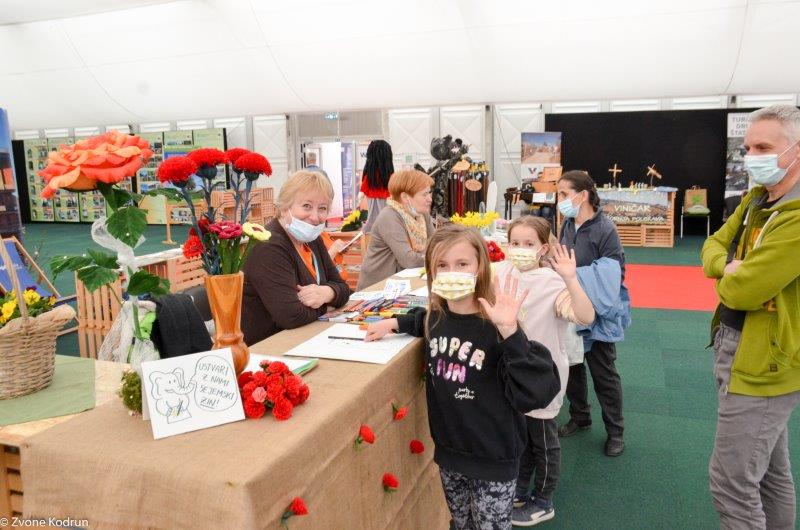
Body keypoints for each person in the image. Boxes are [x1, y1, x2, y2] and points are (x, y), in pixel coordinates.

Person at [365, 224, 560, 530]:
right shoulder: (436, 317)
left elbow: (536, 392)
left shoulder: (497, 325)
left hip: (494, 458)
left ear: (480, 267)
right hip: (451, 452)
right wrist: (394, 323)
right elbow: (423, 320)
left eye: (462, 264)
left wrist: (511, 333)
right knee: (460, 521)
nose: (451, 272)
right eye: (442, 265)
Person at [701, 105, 800, 530]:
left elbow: (742, 291)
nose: (751, 157)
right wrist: (728, 266)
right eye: (747, 148)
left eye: (763, 147)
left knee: (731, 483)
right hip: (740, 347)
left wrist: (728, 275)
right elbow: (712, 245)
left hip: (764, 363)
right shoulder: (757, 199)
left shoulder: (795, 219)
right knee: (772, 473)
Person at [494, 216, 595, 527]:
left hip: (541, 377)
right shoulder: (502, 272)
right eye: (515, 243)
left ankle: (543, 500)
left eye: (529, 244)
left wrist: (570, 279)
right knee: (521, 436)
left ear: (543, 248)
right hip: (512, 373)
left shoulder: (552, 283)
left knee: (543, 441)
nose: (520, 249)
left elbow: (585, 316)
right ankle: (520, 490)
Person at [556, 170, 627, 457]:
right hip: (571, 309)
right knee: (573, 365)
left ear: (582, 195)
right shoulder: (567, 224)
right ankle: (580, 416)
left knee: (603, 373)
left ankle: (615, 432)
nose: (560, 200)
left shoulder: (605, 229)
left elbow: (616, 274)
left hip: (599, 315)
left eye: (564, 194)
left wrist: (577, 279)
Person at [240, 170, 351, 345]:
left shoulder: (312, 239)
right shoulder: (269, 246)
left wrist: (327, 293)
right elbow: (290, 316)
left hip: (306, 337)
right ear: (285, 208)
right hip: (268, 346)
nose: (315, 217)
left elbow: (344, 289)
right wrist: (329, 305)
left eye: (322, 208)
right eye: (306, 206)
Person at [356, 169, 434, 290]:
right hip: (377, 289)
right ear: (405, 197)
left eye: (429, 193)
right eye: (424, 194)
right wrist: (436, 257)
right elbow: (408, 260)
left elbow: (436, 244)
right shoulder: (389, 216)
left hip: (404, 284)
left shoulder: (422, 214)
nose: (430, 199)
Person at [360, 139, 394, 232]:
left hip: (373, 225)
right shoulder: (390, 178)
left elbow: (361, 194)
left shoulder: (370, 178)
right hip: (388, 223)